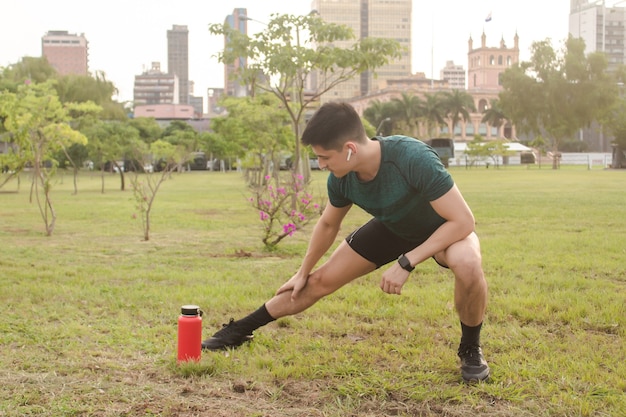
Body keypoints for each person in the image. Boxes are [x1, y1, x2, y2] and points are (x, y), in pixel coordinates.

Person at [202, 102, 490, 383]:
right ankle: (240, 330)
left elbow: (463, 221)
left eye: (325, 157)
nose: (321, 164)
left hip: (443, 229)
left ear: (350, 149)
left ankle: (470, 348)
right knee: (317, 282)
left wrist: (407, 261)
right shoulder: (342, 178)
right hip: (392, 228)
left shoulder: (411, 157)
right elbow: (329, 224)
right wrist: (303, 271)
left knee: (468, 264)